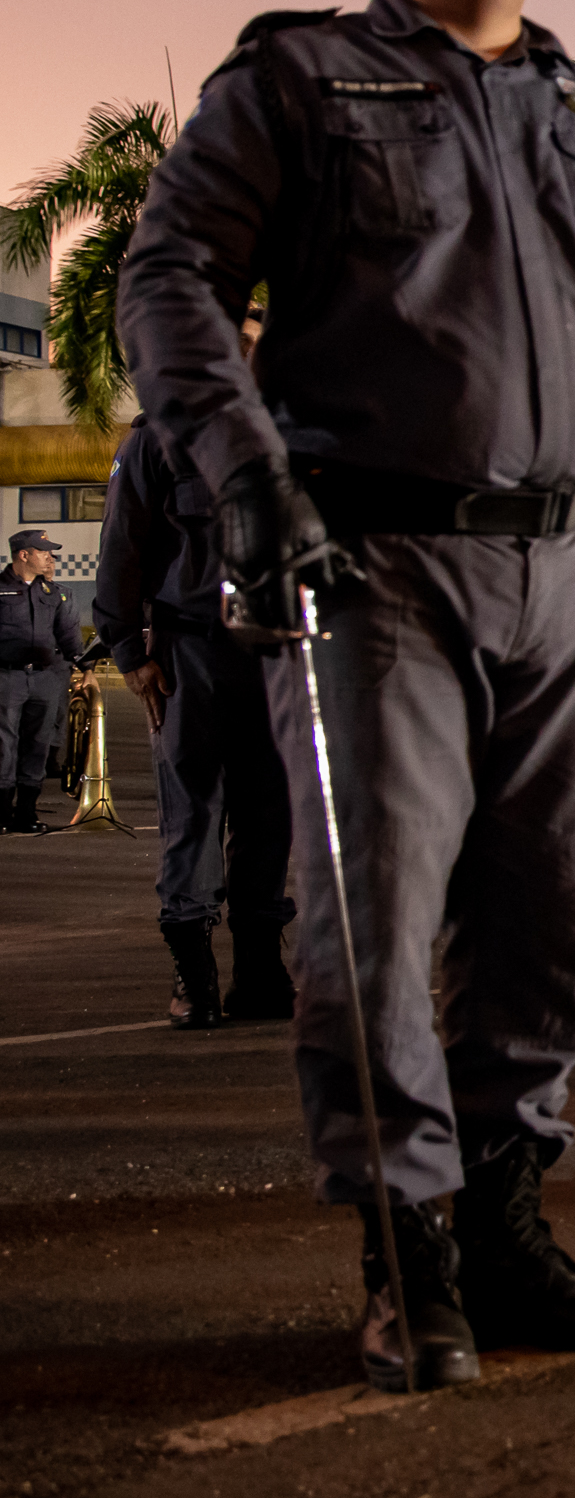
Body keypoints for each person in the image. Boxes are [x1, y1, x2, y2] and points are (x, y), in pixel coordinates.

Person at [116, 0, 575, 1391]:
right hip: (377, 568)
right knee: (371, 919)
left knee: (553, 922)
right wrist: (246, 477)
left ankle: (507, 1219)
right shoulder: (302, 82)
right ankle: (407, 1249)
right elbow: (165, 277)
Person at [97, 382, 300, 1024]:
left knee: (271, 816)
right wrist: (130, 652)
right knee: (192, 814)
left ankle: (260, 971)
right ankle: (194, 975)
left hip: (279, 652)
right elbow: (121, 546)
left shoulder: (294, 427)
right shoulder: (158, 436)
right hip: (192, 651)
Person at [2, 530, 90, 834]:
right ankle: (2, 813)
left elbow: (68, 636)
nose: (50, 558)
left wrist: (85, 667)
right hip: (6, 677)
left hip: (45, 678)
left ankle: (26, 813)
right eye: (44, 552)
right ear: (23, 555)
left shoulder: (55, 593)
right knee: (3, 745)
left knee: (38, 745)